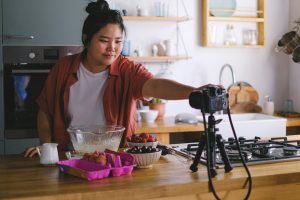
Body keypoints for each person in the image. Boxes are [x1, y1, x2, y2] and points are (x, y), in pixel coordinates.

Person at [24, 0, 212, 157]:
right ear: (86, 39)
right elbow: (45, 111)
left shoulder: (127, 70)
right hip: (70, 159)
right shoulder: (64, 68)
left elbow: (155, 86)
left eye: (118, 41)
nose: (112, 48)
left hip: (114, 161)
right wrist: (47, 147)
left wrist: (193, 91)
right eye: (104, 41)